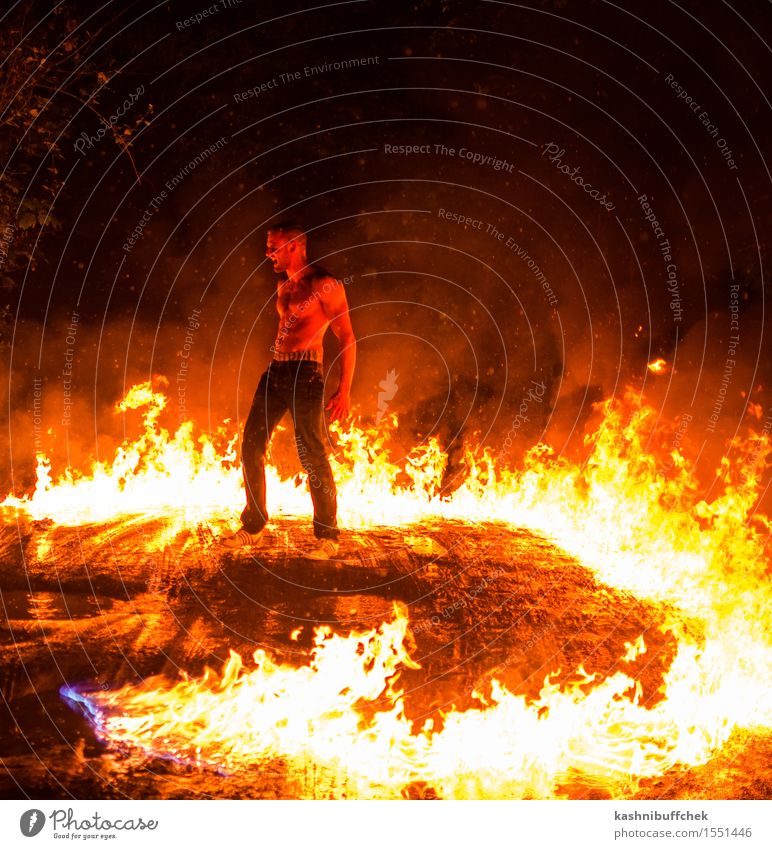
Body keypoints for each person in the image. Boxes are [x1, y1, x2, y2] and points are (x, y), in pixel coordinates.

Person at [221, 221, 356, 559]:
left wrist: (345, 390)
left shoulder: (325, 286)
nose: (268, 253)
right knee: (251, 443)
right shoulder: (283, 286)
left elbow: (347, 337)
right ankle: (254, 524)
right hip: (276, 370)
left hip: (306, 373)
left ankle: (328, 535)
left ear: (295, 245)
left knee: (312, 451)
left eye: (274, 246)